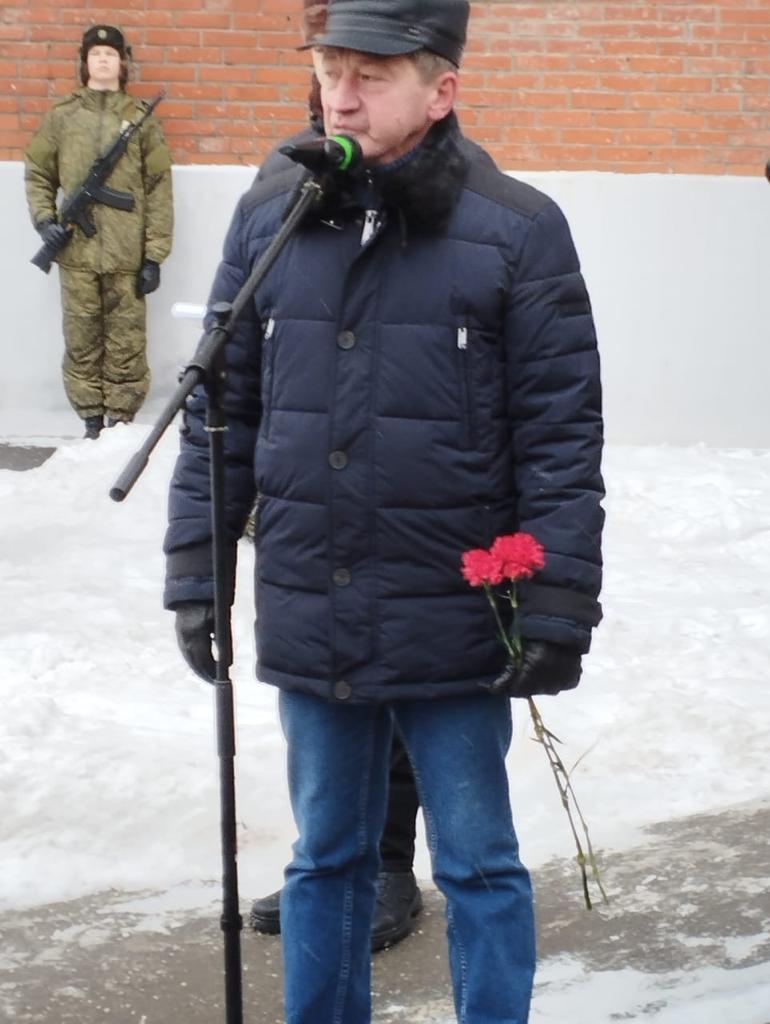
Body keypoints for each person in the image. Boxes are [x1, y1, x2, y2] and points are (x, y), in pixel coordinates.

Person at [164, 0, 604, 1020]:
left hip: (453, 615)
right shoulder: (272, 208)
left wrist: (555, 604)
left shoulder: (517, 228)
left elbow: (558, 438)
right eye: (329, 68)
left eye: (370, 72)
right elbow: (217, 413)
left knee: (478, 861)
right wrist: (198, 575)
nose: (341, 93)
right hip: (314, 603)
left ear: (441, 87)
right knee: (325, 857)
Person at [247, 0, 424, 952]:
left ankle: (390, 870)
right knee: (322, 689)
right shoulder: (295, 152)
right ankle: (329, 863)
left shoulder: (401, 97)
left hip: (402, 459)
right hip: (310, 475)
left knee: (395, 680)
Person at [24, 25, 173, 440]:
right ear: (84, 62)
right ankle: (91, 421)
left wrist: (154, 254)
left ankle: (120, 425)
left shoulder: (140, 119)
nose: (103, 60)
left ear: (123, 63)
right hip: (76, 252)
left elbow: (159, 187)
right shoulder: (62, 116)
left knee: (127, 341)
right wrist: (45, 221)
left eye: (111, 53)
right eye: (96, 54)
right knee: (81, 336)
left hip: (127, 253)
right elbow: (38, 173)